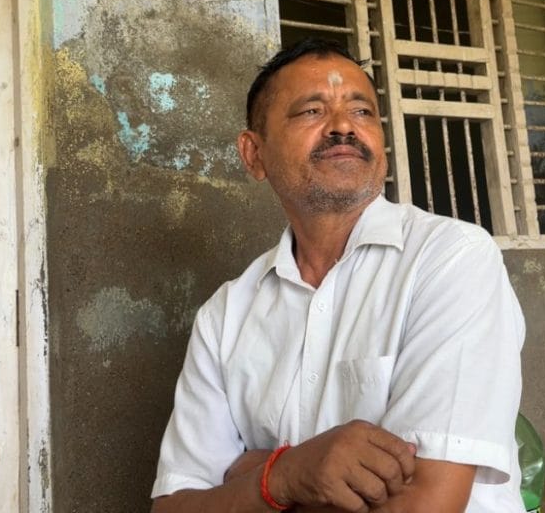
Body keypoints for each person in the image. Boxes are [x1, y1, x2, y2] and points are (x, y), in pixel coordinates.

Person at [151, 37, 526, 513]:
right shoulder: (225, 315)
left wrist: (251, 474)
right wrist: (286, 476)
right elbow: (174, 508)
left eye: (363, 112)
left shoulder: (450, 259)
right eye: (311, 111)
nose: (344, 126)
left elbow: (425, 504)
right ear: (254, 154)